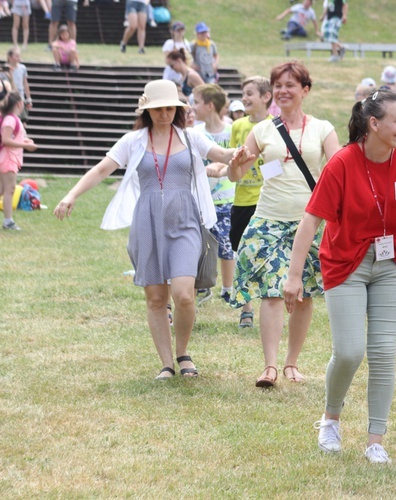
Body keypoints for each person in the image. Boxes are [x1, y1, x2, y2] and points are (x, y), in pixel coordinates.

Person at [53, 80, 253, 380]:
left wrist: (236, 154)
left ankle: (183, 352)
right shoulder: (133, 140)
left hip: (185, 220)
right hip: (147, 222)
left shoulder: (189, 137)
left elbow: (220, 155)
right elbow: (101, 169)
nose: (165, 114)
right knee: (156, 299)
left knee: (185, 295)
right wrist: (70, 195)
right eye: (158, 109)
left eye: (170, 108)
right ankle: (166, 364)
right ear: (147, 110)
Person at [284, 90, 396, 464]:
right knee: (349, 351)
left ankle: (375, 439)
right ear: (374, 124)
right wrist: (294, 276)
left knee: (381, 353)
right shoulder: (343, 163)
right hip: (346, 261)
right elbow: (311, 220)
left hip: (392, 263)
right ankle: (330, 418)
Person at [228, 61, 339, 388]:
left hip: (310, 220)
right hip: (269, 220)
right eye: (278, 85)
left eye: (291, 85)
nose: (283, 91)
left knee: (303, 295)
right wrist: (236, 165)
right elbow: (236, 175)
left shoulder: (322, 128)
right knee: (273, 292)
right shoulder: (262, 130)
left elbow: (338, 169)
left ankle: (292, 363)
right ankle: (270, 366)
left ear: (305, 90)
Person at [228, 76, 273, 329]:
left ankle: (269, 302)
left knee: (265, 254)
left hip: (265, 201)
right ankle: (246, 309)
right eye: (243, 93)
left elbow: (277, 166)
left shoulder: (275, 126)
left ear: (266, 97)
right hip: (241, 200)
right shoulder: (238, 126)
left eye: (249, 93)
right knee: (241, 253)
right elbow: (232, 159)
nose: (244, 98)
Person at [191, 84, 236, 307]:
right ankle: (203, 286)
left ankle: (228, 289)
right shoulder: (196, 133)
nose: (192, 107)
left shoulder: (232, 130)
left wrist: (218, 166)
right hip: (201, 199)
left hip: (228, 200)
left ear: (209, 106)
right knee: (202, 246)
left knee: (227, 248)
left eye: (196, 102)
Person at [0, 91, 36, 231]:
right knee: (9, 189)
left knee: (3, 189)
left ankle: (8, 221)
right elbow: (6, 140)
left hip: (9, 157)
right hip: (8, 158)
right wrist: (26, 145)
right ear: (19, 103)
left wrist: (24, 141)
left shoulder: (12, 118)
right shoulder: (11, 119)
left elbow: (11, 138)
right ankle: (8, 221)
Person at [6, 47, 31, 123]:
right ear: (10, 57)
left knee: (22, 119)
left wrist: (29, 98)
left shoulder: (22, 68)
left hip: (20, 97)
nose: (18, 58)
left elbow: (25, 83)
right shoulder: (4, 68)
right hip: (8, 97)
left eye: (19, 55)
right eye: (16, 56)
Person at [162, 21, 191, 85]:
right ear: (173, 31)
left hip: (182, 72)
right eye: (178, 30)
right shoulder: (169, 43)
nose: (180, 32)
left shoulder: (186, 43)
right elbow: (167, 60)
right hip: (171, 72)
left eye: (181, 30)